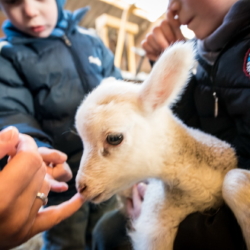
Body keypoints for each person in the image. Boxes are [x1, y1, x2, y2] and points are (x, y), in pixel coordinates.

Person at [93, 0, 250, 249]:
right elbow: (195, 131)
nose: (172, 8)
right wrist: (174, 70)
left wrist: (156, 220)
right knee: (105, 230)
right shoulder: (205, 52)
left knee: (112, 236)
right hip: (205, 182)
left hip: (227, 209)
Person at [0, 0, 122, 249]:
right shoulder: (7, 56)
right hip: (62, 182)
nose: (30, 11)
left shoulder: (91, 40)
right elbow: (13, 112)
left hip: (108, 170)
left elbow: (118, 87)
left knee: (106, 232)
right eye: (13, 1)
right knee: (66, 241)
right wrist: (34, 148)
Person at [0, 126, 85, 250]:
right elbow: (10, 112)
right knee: (66, 238)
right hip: (55, 184)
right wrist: (37, 147)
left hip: (73, 173)